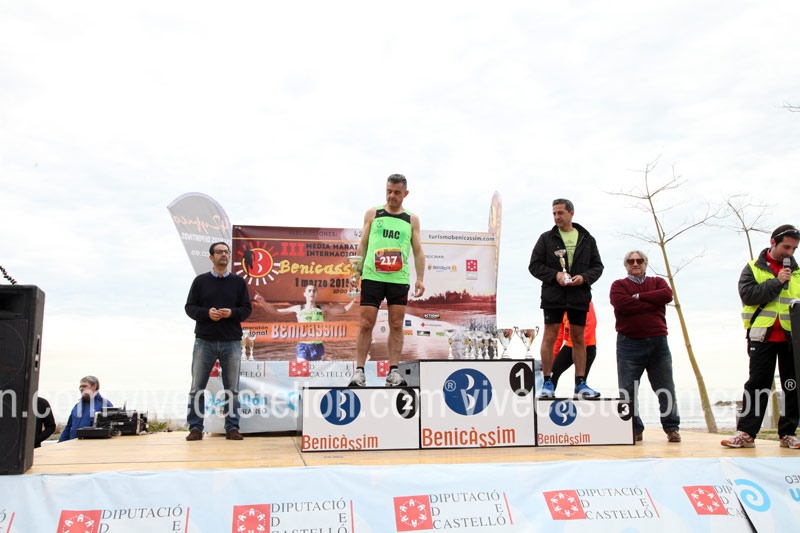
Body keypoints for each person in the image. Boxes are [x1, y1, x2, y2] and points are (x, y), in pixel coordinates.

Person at [721, 224, 800, 450]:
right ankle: (746, 433)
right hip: (761, 337)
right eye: (786, 247)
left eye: (794, 249)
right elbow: (748, 296)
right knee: (757, 384)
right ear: (773, 242)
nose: (790, 253)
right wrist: (777, 282)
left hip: (792, 339)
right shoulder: (753, 268)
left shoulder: (798, 272)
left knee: (792, 385)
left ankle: (788, 433)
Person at [349, 174, 425, 387]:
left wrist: (420, 279)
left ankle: (393, 372)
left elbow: (418, 251)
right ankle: (359, 372)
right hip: (372, 276)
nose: (392, 196)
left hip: (398, 279)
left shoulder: (411, 219)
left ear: (405, 194)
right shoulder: (373, 213)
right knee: (366, 323)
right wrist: (356, 272)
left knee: (396, 324)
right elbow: (363, 244)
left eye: (397, 192)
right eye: (389, 191)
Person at [529, 198, 603, 398]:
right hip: (553, 295)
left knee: (579, 338)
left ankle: (580, 383)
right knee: (550, 336)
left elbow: (598, 267)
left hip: (579, 296)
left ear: (571, 213)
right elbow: (534, 266)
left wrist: (584, 278)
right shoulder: (546, 238)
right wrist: (556, 275)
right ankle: (547, 382)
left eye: (560, 213)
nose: (556, 217)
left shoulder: (587, 239)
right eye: (554, 213)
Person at [609, 250, 681, 443]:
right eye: (631, 261)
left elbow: (667, 295)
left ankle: (672, 428)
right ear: (626, 264)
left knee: (666, 388)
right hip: (629, 344)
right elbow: (622, 304)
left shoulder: (658, 282)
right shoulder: (618, 285)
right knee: (627, 391)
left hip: (658, 343)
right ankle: (634, 429)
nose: (635, 264)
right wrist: (652, 302)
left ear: (645, 263)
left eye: (639, 260)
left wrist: (639, 296)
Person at [184, 241, 252, 441]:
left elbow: (246, 309)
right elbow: (189, 308)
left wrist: (232, 313)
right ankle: (195, 428)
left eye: (226, 252)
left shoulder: (238, 282)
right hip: (204, 341)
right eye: (219, 252)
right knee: (197, 388)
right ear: (211, 257)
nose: (224, 254)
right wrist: (207, 314)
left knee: (232, 389)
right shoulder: (200, 281)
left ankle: (232, 428)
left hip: (231, 342)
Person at [252, 285, 356, 361]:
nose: (312, 293)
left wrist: (354, 300)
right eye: (309, 291)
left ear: (316, 294)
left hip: (318, 346)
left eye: (314, 291)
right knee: (303, 373)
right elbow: (275, 312)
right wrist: (263, 302)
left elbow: (343, 310)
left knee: (315, 375)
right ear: (305, 294)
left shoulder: (322, 308)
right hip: (303, 347)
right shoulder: (298, 308)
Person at [550, 301, 598, 391]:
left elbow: (590, 325)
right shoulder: (560, 304)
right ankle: (547, 394)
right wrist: (552, 358)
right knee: (553, 371)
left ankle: (580, 392)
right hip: (570, 345)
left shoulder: (585, 301)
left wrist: (580, 347)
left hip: (587, 346)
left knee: (580, 380)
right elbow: (558, 336)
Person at [58, 376, 113, 442]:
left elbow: (110, 429)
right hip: (73, 445)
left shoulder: (105, 405)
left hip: (92, 446)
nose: (81, 389)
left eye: (84, 386)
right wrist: (59, 443)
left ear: (94, 386)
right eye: (80, 387)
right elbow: (68, 428)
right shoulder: (77, 406)